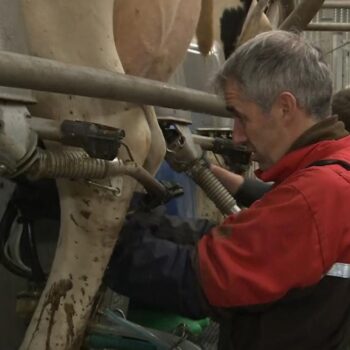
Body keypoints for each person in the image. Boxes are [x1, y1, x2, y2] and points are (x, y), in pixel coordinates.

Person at [106, 30, 350, 350]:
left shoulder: (317, 193)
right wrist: (138, 221)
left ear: (285, 108)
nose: (236, 137)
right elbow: (239, 240)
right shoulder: (332, 170)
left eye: (241, 117)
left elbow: (198, 279)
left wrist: (96, 233)